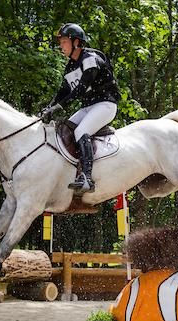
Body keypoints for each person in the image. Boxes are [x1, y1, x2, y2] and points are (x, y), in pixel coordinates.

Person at [41, 23, 120, 194]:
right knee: (65, 131)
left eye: (63, 42)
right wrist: (48, 107)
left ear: (76, 42)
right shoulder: (71, 66)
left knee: (80, 131)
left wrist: (57, 108)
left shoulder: (89, 58)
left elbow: (80, 89)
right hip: (88, 107)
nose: (61, 46)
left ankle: (86, 178)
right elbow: (63, 91)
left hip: (105, 105)